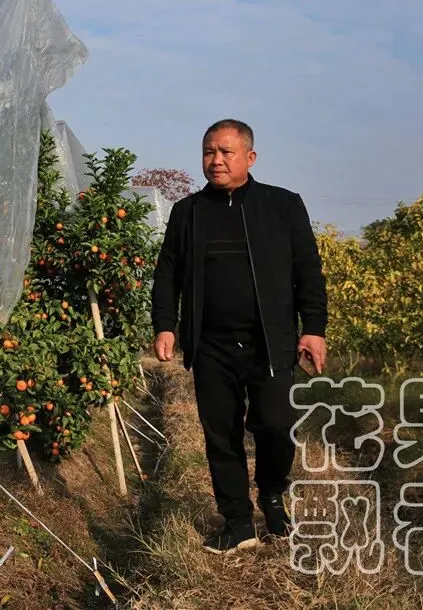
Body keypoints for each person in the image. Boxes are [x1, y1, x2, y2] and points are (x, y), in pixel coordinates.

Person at [150, 119, 328, 554]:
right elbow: (168, 273)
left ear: (250, 157)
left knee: (276, 425)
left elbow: (308, 270)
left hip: (270, 340)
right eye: (209, 151)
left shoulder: (282, 206)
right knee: (221, 433)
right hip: (211, 344)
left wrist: (314, 329)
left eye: (226, 152)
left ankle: (272, 495)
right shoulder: (188, 212)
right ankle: (237, 521)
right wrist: (165, 324)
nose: (216, 160)